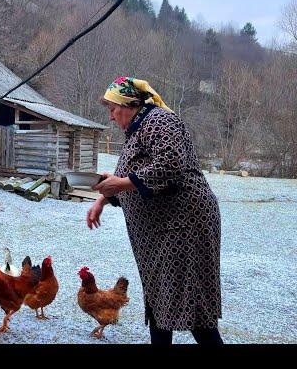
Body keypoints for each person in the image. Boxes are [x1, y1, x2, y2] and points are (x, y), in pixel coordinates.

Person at [87, 76, 223, 345]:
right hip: (162, 232)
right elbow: (135, 180)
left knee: (193, 306)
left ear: (128, 104)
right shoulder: (137, 130)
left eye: (112, 109)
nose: (111, 118)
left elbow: (171, 165)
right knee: (160, 303)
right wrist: (105, 197)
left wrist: (123, 183)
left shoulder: (159, 121)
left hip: (185, 226)